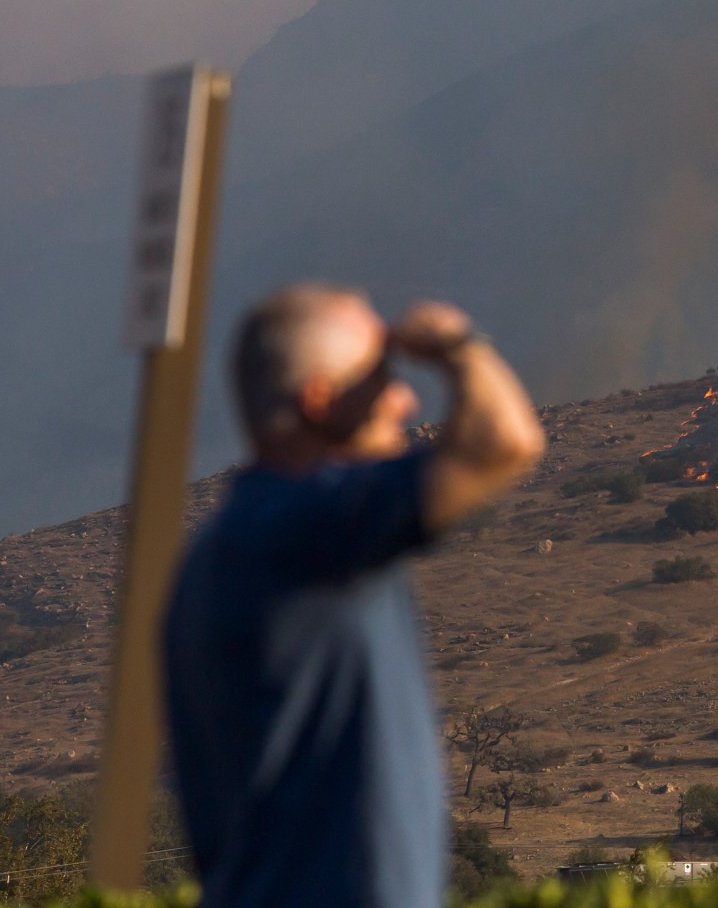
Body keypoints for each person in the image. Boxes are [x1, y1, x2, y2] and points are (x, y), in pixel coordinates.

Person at [165, 285, 545, 908]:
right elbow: (502, 441)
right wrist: (455, 344)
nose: (404, 399)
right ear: (320, 400)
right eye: (381, 378)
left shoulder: (223, 553)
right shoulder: (300, 529)